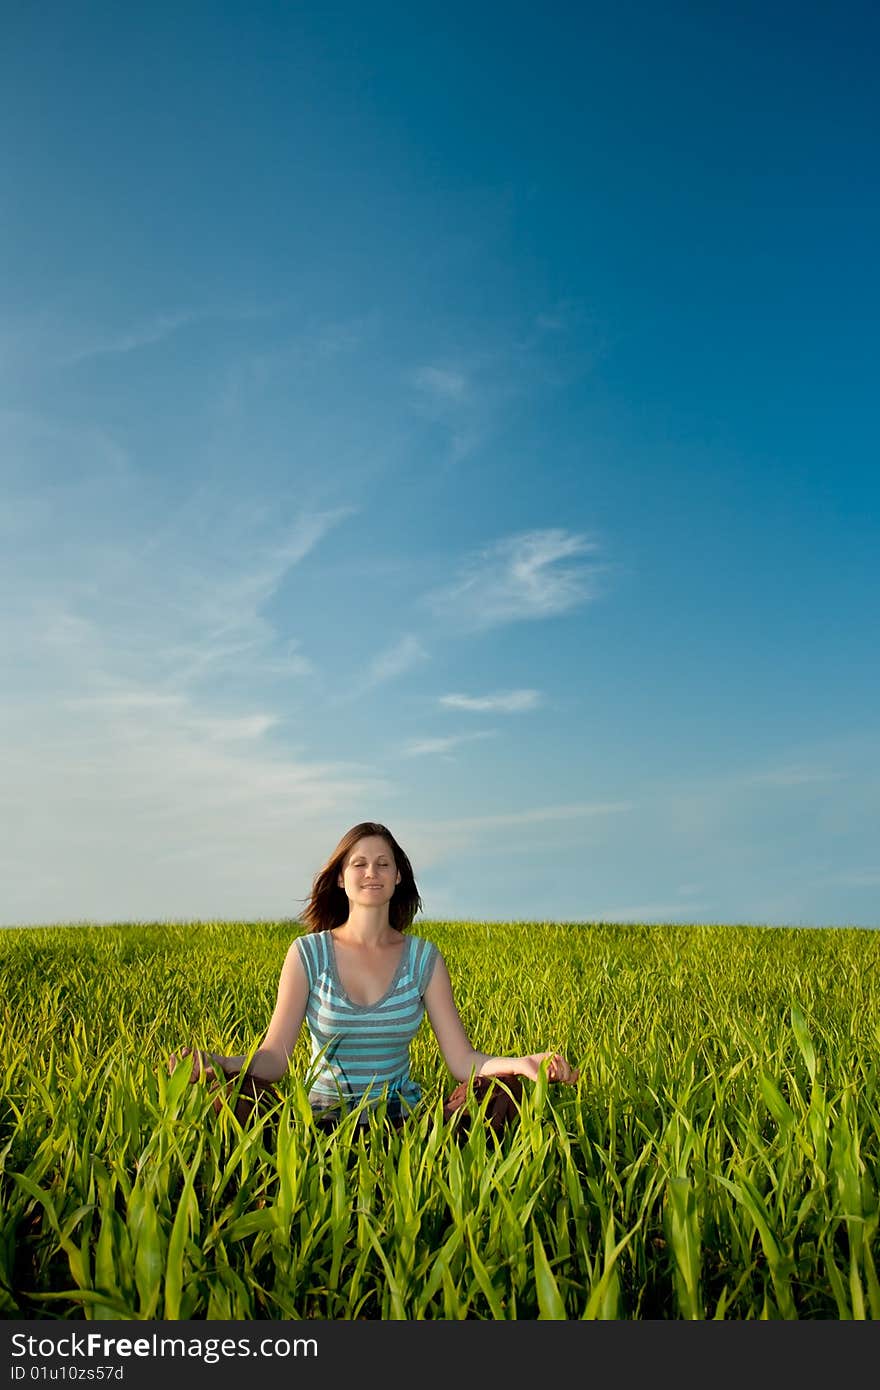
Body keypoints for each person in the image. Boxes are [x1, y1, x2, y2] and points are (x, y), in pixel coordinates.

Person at [170, 821, 579, 1134]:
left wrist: (523, 1063)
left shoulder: (423, 958)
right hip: (318, 1126)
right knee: (229, 1091)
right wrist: (221, 1062)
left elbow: (461, 1060)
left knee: (503, 1090)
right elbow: (275, 1057)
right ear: (340, 877)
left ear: (398, 876)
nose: (372, 872)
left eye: (384, 863)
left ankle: (431, 1171)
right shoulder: (307, 954)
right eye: (359, 863)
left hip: (404, 1125)